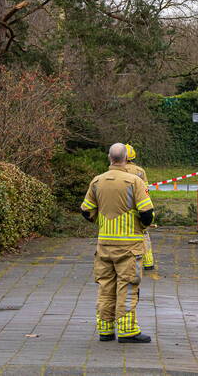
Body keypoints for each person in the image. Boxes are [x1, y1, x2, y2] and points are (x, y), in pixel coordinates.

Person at [81, 143, 155, 343]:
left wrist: (101, 221)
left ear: (109, 158)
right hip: (129, 246)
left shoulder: (97, 181)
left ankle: (105, 330)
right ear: (126, 159)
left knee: (105, 286)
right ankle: (127, 330)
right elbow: (147, 212)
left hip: (104, 245)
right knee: (128, 286)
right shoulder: (134, 181)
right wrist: (141, 226)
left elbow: (86, 210)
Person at [122, 144, 155, 271]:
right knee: (143, 234)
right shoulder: (140, 171)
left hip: (122, 208)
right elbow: (146, 192)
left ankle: (126, 263)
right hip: (139, 207)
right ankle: (148, 263)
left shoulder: (116, 171)